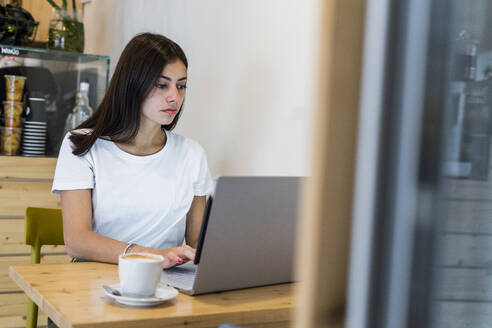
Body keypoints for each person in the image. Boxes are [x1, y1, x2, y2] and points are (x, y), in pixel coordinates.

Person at [52, 33, 214, 269]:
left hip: (167, 286)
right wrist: (152, 256)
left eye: (181, 86)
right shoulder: (82, 145)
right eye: (162, 84)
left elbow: (197, 241)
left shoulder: (192, 153)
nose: (175, 97)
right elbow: (77, 241)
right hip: (94, 284)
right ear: (132, 84)